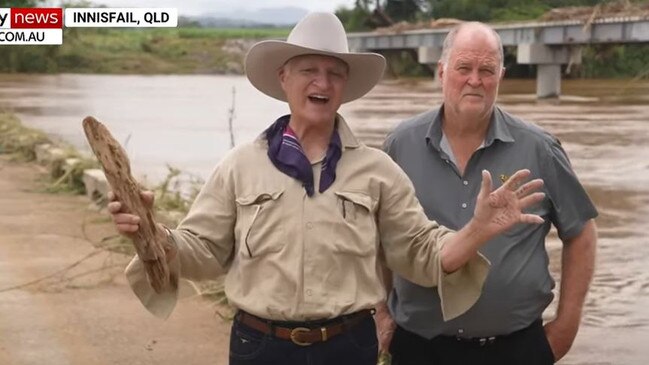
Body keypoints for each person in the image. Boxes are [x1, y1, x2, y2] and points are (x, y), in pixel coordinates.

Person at [107, 13, 545, 365]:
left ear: (345, 88)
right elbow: (202, 251)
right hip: (259, 346)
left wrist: (478, 230)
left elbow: (424, 253)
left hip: (348, 347)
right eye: (308, 70)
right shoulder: (240, 165)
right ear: (284, 77)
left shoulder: (379, 171)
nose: (322, 82)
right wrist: (152, 233)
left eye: (335, 73)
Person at [378, 21, 598, 365]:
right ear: (441, 71)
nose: (475, 80)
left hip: (516, 349)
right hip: (418, 348)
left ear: (501, 76)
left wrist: (567, 326)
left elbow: (581, 232)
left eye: (487, 70)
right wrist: (380, 311)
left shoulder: (539, 148)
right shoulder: (400, 146)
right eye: (464, 68)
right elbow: (376, 237)